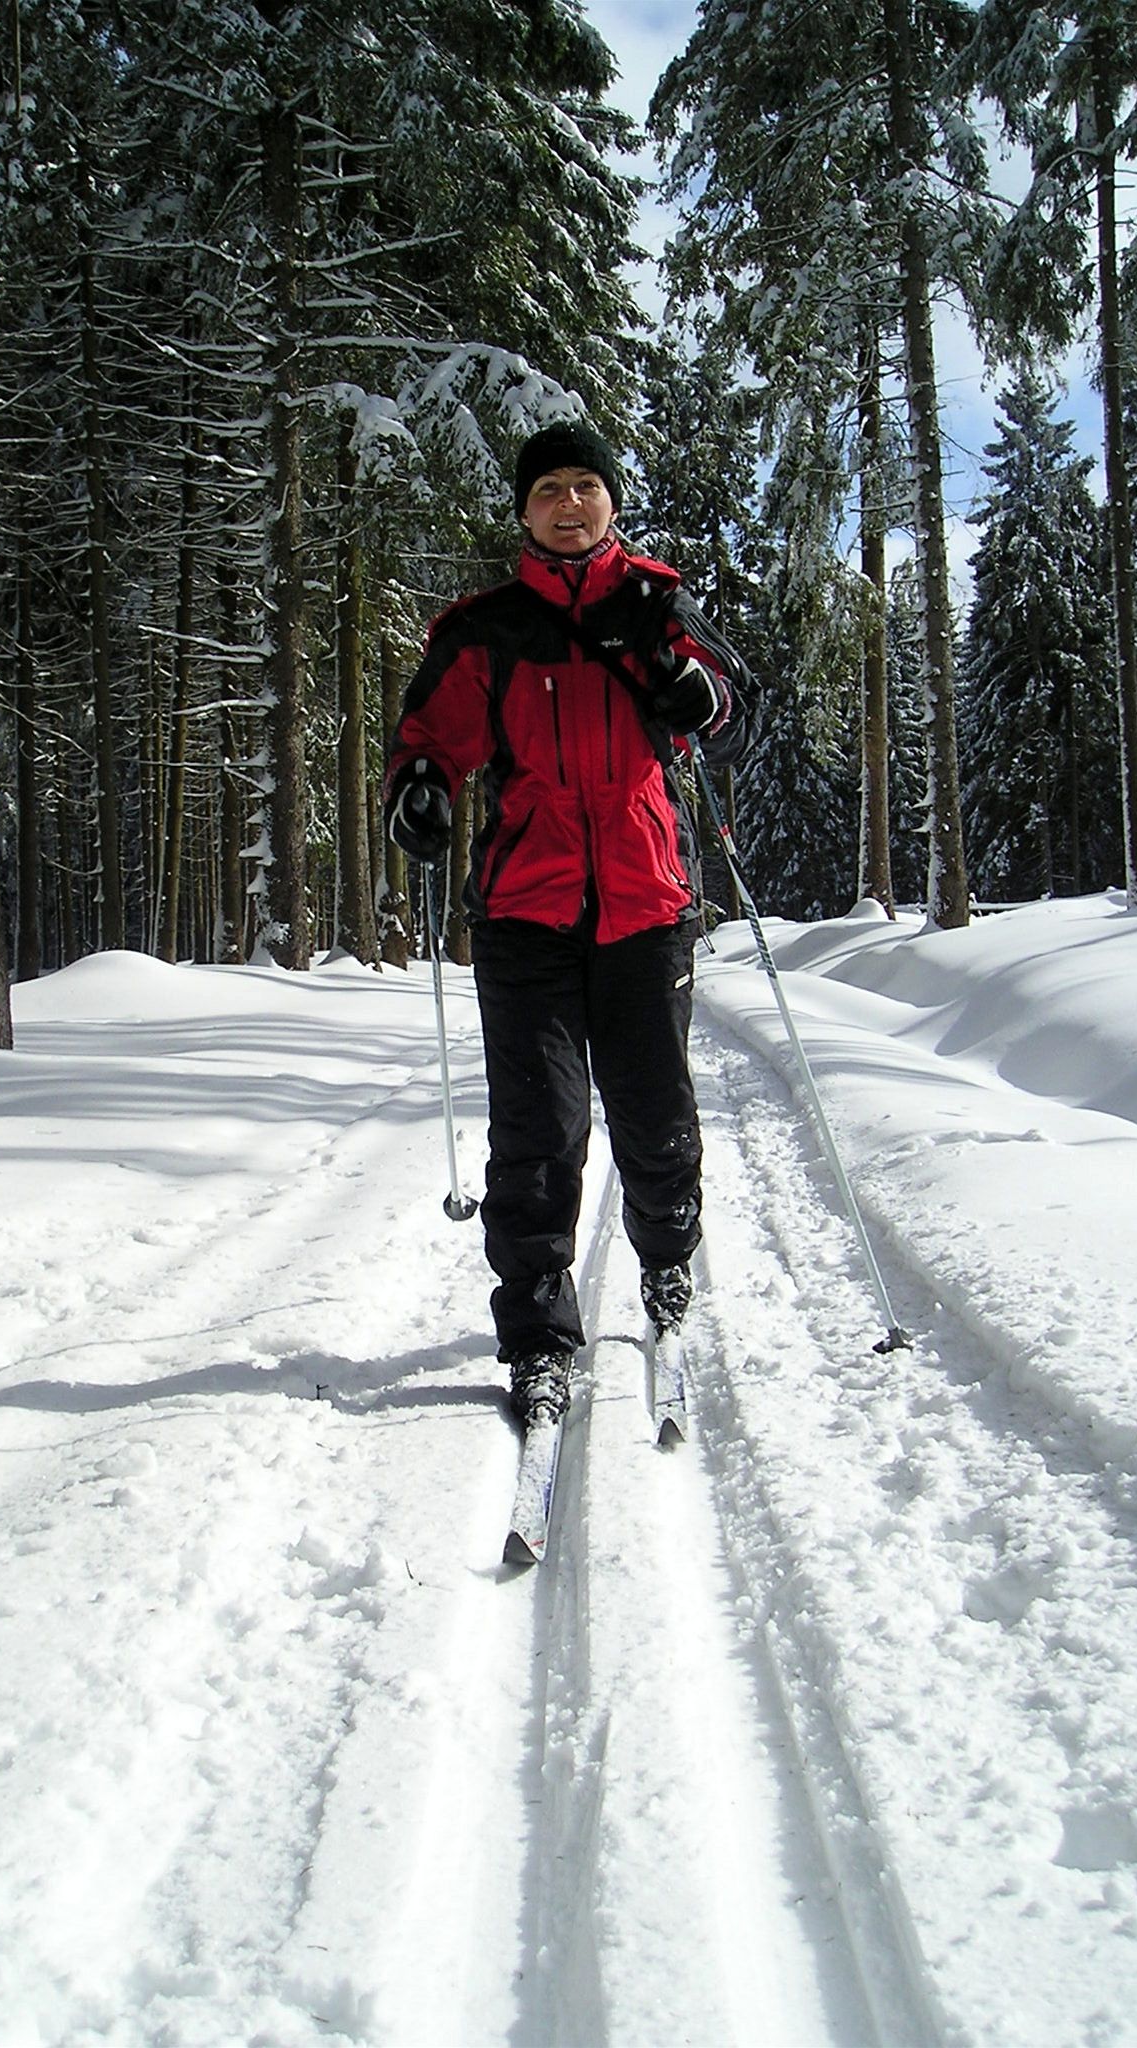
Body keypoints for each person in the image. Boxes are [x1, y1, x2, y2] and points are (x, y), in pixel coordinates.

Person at [384, 420, 749, 1425]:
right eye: (550, 488)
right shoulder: (487, 628)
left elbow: (733, 709)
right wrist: (418, 787)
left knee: (655, 1117)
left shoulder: (658, 607)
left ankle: (667, 1254)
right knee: (538, 1136)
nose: (571, 503)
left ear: (611, 502)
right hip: (525, 912)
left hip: (643, 903)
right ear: (525, 510)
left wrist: (695, 692)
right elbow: (428, 738)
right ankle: (539, 1337)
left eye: (587, 485)